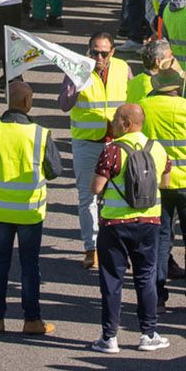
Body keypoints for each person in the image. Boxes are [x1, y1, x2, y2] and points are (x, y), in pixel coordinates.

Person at [0, 79, 58, 336]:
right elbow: (55, 170)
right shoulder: (40, 134)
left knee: (0, 264)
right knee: (30, 266)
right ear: (27, 103)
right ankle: (32, 320)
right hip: (30, 211)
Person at [91, 102, 170, 353]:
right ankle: (148, 334)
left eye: (116, 119)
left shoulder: (113, 150)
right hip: (149, 222)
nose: (112, 122)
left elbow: (96, 187)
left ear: (126, 123)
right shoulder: (157, 148)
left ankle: (109, 337)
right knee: (145, 278)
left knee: (112, 280)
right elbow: (166, 182)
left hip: (114, 224)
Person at [141, 68, 186, 313]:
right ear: (177, 87)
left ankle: (158, 296)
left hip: (157, 181)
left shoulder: (143, 106)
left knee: (160, 239)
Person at [62, 32, 131, 270]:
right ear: (88, 51)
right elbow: (63, 105)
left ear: (112, 52)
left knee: (119, 196)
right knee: (87, 197)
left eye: (104, 53)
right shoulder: (77, 69)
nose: (99, 57)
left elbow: (132, 100)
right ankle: (91, 249)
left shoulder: (123, 68)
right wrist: (74, 87)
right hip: (87, 143)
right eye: (94, 52)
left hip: (117, 143)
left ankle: (118, 248)